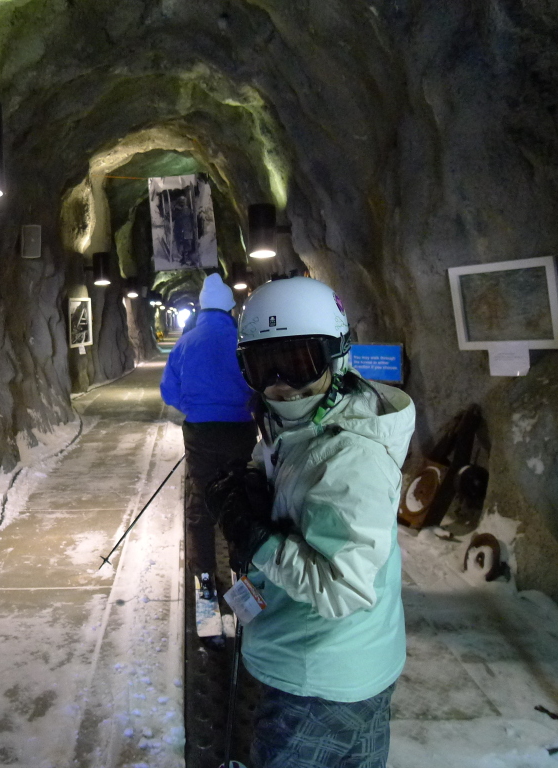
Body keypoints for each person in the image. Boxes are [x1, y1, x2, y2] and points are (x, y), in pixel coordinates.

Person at [206, 276, 415, 768]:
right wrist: (254, 482)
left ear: (335, 357)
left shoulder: (350, 456)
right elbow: (284, 460)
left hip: (317, 678)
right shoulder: (306, 420)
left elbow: (341, 589)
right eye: (264, 365)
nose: (281, 382)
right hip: (343, 662)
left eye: (299, 363)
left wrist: (255, 538)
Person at [159, 273, 257, 644]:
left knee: (202, 499)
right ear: (231, 307)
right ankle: (241, 572)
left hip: (201, 430)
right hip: (239, 429)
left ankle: (204, 579)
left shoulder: (186, 342)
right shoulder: (241, 340)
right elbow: (257, 383)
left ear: (201, 306)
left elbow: (170, 391)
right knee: (240, 496)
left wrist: (194, 407)